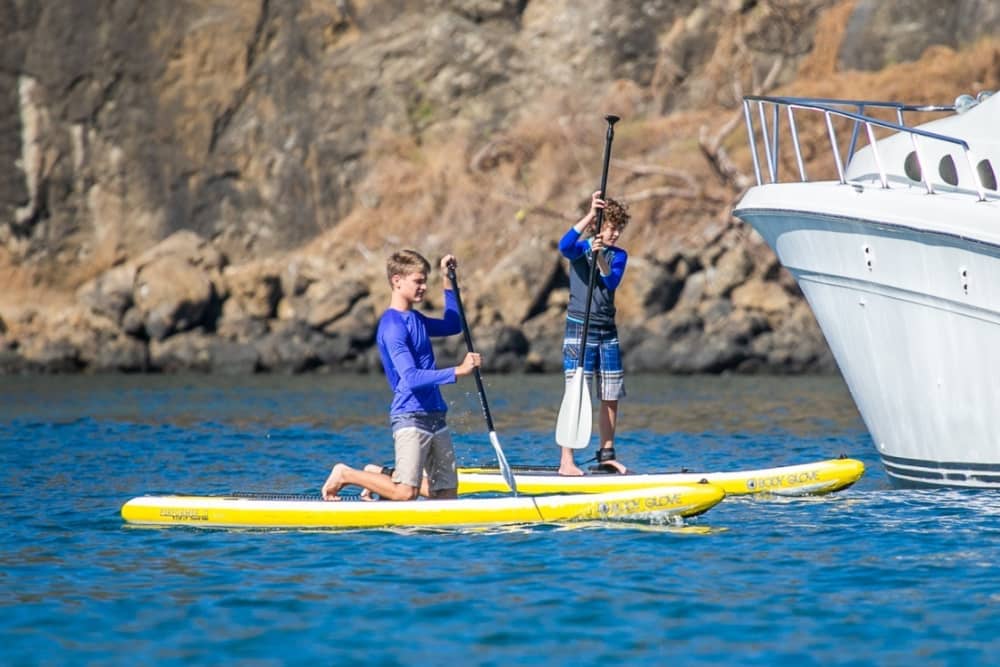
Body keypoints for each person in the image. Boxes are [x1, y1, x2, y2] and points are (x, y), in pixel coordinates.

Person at [321, 250, 481, 501]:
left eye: (425, 281)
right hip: (410, 416)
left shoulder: (415, 318)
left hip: (436, 415)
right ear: (397, 281)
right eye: (418, 281)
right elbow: (410, 378)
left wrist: (447, 279)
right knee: (406, 494)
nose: (424, 287)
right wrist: (458, 371)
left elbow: (453, 325)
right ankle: (345, 474)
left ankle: (382, 475)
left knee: (446, 496)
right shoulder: (392, 326)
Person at [558, 190, 630, 476]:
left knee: (610, 394)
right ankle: (567, 460)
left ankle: (607, 454)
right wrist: (590, 213)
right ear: (597, 227)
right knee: (576, 392)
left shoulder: (619, 255)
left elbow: (610, 282)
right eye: (610, 228)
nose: (614, 234)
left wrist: (600, 257)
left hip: (606, 330)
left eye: (618, 229)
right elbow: (564, 246)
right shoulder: (580, 249)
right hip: (579, 327)